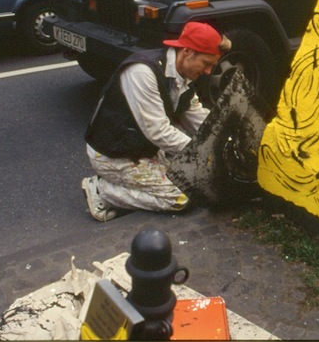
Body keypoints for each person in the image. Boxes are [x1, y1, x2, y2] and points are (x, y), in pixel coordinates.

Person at [82, 22, 232, 221]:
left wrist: (227, 140)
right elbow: (158, 131)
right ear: (187, 52)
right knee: (181, 197)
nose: (208, 71)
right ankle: (103, 191)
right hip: (113, 156)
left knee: (196, 180)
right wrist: (205, 152)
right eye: (206, 64)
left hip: (142, 149)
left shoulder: (182, 75)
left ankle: (122, 184)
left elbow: (199, 119)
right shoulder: (142, 72)